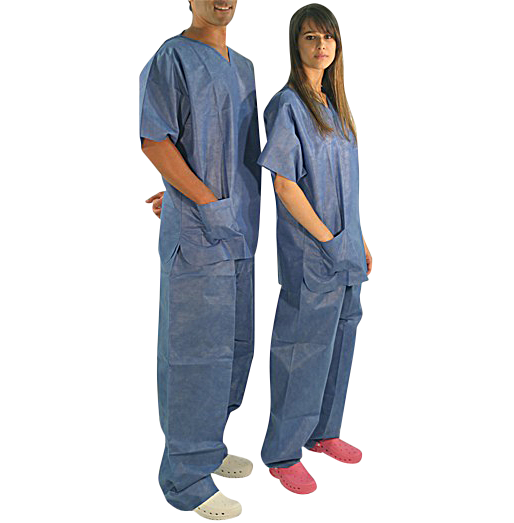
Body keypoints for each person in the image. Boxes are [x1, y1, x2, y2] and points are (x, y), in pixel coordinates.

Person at [139, 0, 263, 518]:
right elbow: (154, 140)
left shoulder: (246, 66)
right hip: (200, 230)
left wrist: (190, 191)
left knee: (235, 344)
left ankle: (208, 447)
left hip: (240, 225)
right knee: (194, 351)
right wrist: (202, 199)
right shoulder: (173, 58)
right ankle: (185, 477)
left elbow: (229, 148)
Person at [256, 3, 372, 495]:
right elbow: (285, 184)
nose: (321, 45)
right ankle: (282, 453)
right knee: (302, 350)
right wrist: (327, 239)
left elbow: (346, 183)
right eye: (310, 37)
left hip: (346, 250)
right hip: (313, 251)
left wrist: (358, 239)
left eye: (328, 37)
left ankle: (323, 433)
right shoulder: (289, 106)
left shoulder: (336, 105)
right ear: (295, 44)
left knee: (341, 342)